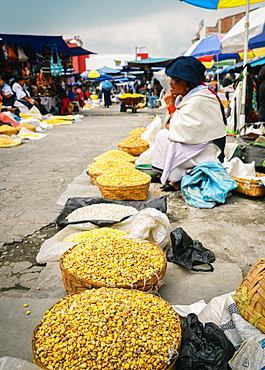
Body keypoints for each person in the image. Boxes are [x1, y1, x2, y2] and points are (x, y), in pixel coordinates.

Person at [151, 56, 227, 191]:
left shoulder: (200, 98)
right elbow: (176, 125)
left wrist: (170, 105)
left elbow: (180, 127)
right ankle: (167, 173)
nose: (171, 83)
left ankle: (176, 179)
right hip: (194, 139)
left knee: (170, 140)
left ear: (187, 83)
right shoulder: (186, 96)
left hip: (207, 145)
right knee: (163, 135)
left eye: (176, 80)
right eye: (171, 79)